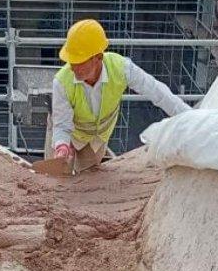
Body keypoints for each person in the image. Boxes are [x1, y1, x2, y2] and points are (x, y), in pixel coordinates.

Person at [47, 18, 189, 172]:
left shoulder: (121, 69)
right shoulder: (62, 82)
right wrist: (62, 146)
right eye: (71, 61)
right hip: (64, 131)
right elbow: (62, 124)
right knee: (56, 177)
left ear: (98, 58)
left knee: (87, 182)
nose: (73, 67)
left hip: (96, 139)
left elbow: (157, 92)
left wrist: (188, 116)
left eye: (79, 62)